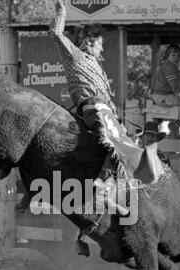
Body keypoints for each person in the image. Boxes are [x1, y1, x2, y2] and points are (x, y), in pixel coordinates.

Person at [50, 0, 138, 215]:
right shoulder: (75, 55)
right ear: (89, 42)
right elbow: (57, 35)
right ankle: (100, 190)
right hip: (94, 108)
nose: (102, 47)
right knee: (123, 145)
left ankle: (103, 191)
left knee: (128, 145)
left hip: (102, 110)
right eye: (100, 42)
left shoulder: (95, 63)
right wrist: (61, 12)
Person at [151, 44, 180, 138]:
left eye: (178, 56)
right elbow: (175, 88)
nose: (176, 58)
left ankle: (175, 129)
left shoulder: (165, 65)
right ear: (168, 54)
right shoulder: (170, 67)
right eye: (173, 55)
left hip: (159, 97)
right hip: (163, 97)